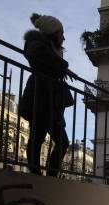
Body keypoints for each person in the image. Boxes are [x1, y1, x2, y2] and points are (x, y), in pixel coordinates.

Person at [19, 13, 76, 177]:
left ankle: (48, 174)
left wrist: (62, 68)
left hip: (50, 98)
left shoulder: (49, 47)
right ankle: (36, 172)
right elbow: (41, 55)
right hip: (40, 95)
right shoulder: (35, 43)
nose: (63, 38)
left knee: (57, 140)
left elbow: (51, 60)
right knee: (39, 137)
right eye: (61, 33)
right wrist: (63, 66)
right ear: (52, 32)